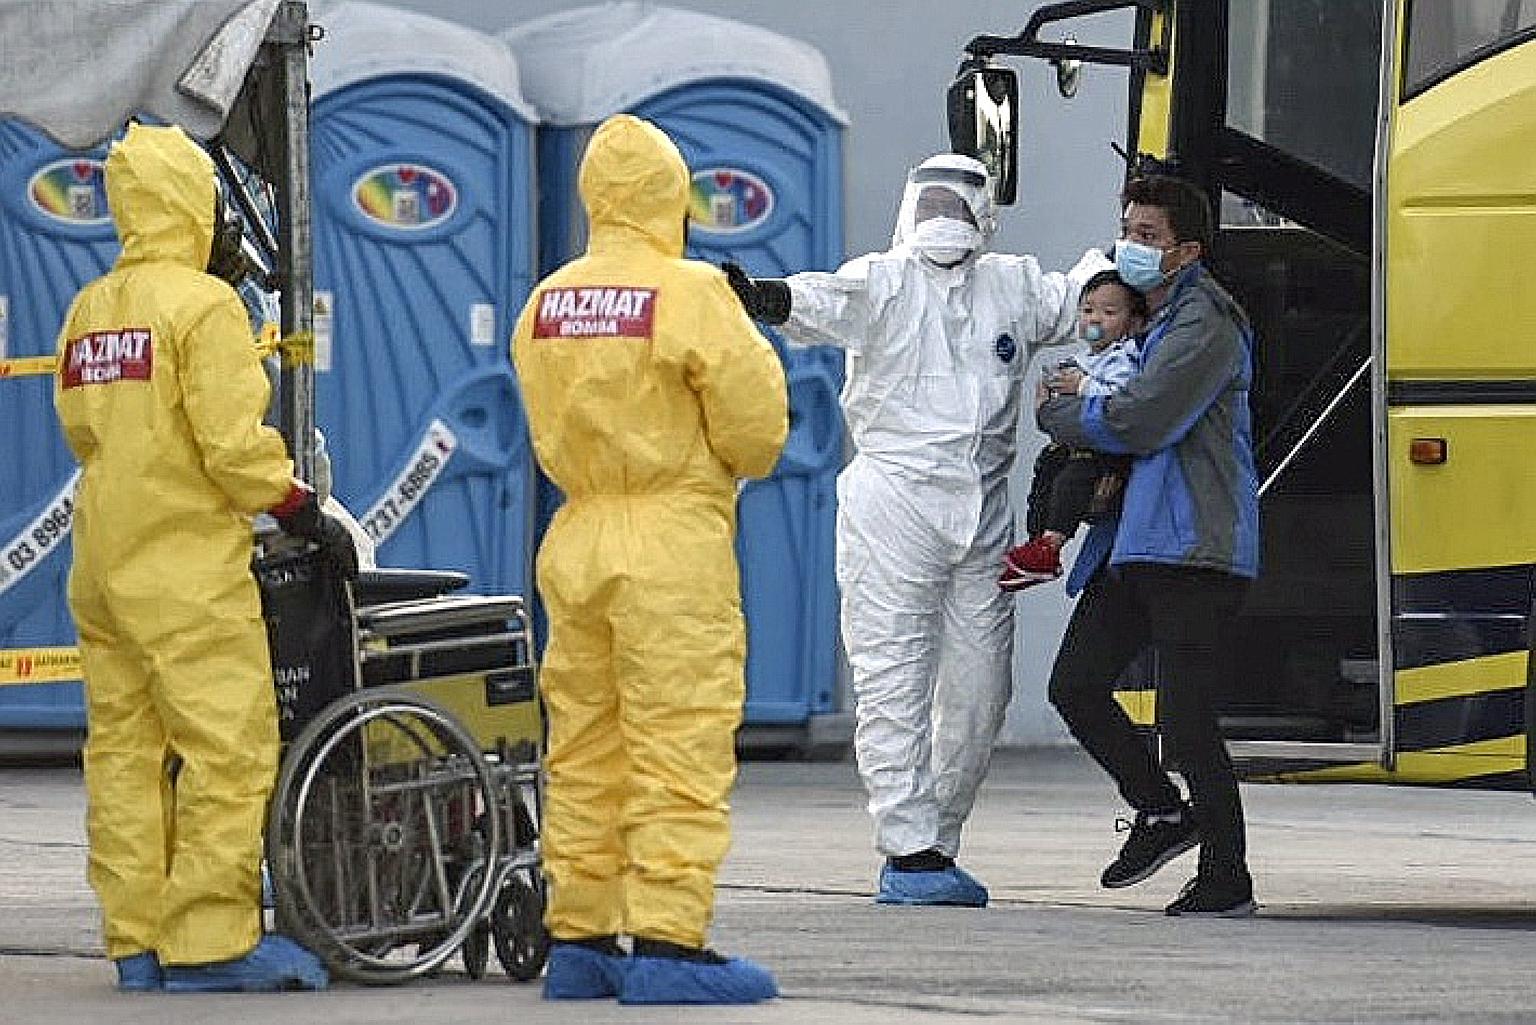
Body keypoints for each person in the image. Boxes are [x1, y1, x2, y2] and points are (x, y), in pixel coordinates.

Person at [725, 153, 1109, 907]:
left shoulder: (1013, 283)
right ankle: (907, 847)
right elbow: (818, 301)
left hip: (984, 509)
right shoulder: (882, 279)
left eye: (958, 201)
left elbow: (1086, 303)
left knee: (980, 690)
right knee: (892, 677)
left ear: (985, 211)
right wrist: (759, 296)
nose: (946, 215)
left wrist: (1128, 259)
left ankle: (939, 839)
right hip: (894, 501)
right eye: (933, 199)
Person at [53, 123, 353, 992]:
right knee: (228, 745)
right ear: (196, 202)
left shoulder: (90, 308)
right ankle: (210, 941)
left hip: (103, 553)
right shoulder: (203, 305)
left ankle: (136, 941)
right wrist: (301, 508)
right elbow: (232, 448)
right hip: (181, 558)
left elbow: (80, 429)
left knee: (123, 751)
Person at [510, 114, 787, 1005]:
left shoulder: (546, 301)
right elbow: (756, 433)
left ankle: (581, 938)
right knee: (677, 740)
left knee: (585, 744)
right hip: (671, 538)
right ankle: (668, 939)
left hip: (578, 532)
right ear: (672, 194)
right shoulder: (693, 290)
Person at [1035, 173, 1259, 917]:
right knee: (1074, 684)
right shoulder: (1141, 321)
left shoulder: (1206, 324)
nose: (1131, 245)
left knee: (1189, 719)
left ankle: (1228, 878)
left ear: (1186, 250)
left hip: (1195, 544)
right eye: (1127, 228)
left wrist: (1063, 414)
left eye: (1149, 236)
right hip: (1135, 541)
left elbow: (1138, 419)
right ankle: (1162, 811)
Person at [1001, 270, 1147, 591]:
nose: (1095, 318)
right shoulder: (1084, 358)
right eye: (1088, 309)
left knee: (1074, 478)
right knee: (1047, 470)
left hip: (1102, 452)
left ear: (1133, 323)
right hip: (1072, 443)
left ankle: (1052, 543)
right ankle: (1037, 544)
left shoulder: (1126, 358)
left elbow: (1123, 399)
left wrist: (1081, 386)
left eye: (1109, 313)